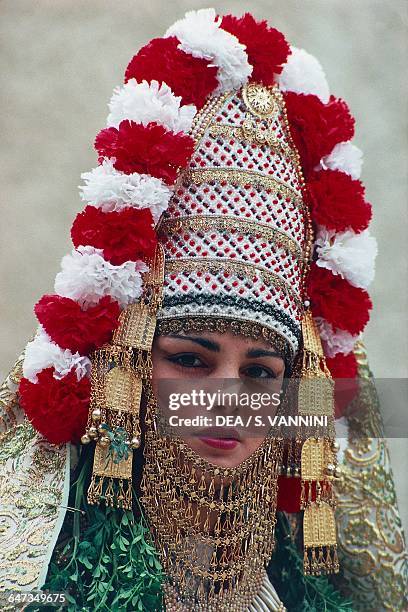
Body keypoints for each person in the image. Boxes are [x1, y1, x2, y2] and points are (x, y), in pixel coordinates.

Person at [0, 8, 407, 611]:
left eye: (262, 373)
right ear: (127, 366)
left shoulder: (300, 592)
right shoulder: (42, 587)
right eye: (190, 359)